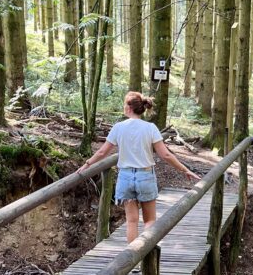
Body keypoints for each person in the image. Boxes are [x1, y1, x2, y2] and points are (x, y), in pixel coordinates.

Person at [77, 91, 201, 242]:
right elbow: (166, 155)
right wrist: (184, 169)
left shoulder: (118, 127)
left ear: (129, 107)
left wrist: (87, 164)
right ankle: (147, 258)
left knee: (131, 221)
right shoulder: (150, 128)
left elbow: (103, 151)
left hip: (125, 177)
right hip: (145, 177)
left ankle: (133, 262)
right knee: (149, 221)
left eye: (125, 104)